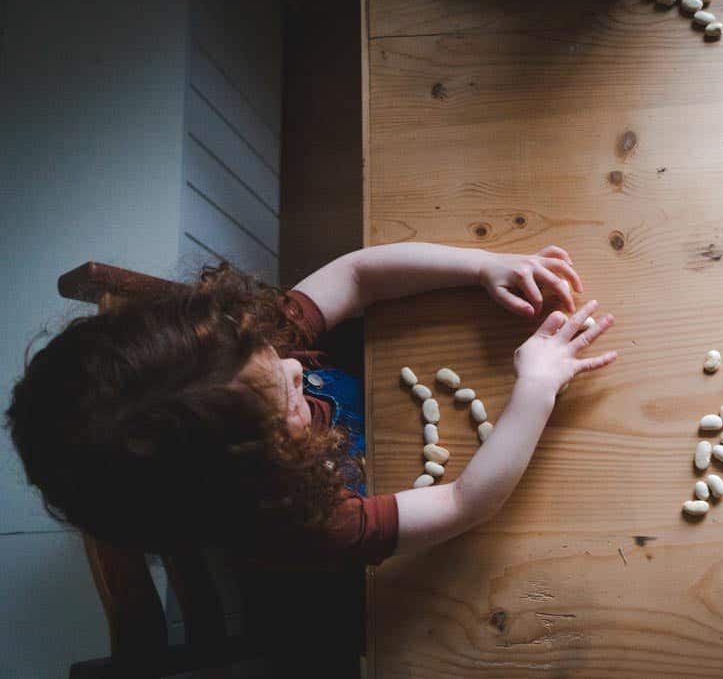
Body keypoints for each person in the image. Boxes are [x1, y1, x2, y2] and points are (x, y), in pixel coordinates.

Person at [5, 242, 617, 567]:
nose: (296, 364)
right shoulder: (299, 525)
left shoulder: (237, 349)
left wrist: (484, 264)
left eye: (274, 355)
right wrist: (535, 387)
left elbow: (357, 275)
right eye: (290, 395)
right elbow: (465, 500)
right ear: (257, 473)